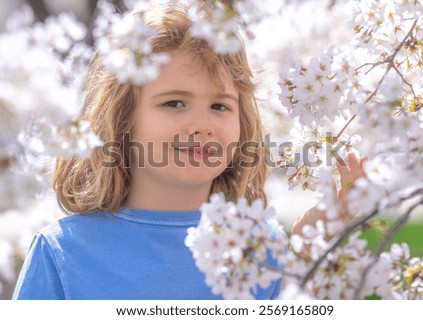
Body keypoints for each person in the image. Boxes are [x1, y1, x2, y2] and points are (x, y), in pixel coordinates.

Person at [13, 0, 365, 300]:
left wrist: (306, 261)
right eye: (175, 103)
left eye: (220, 106)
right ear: (120, 119)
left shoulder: (264, 249)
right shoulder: (63, 252)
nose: (203, 125)